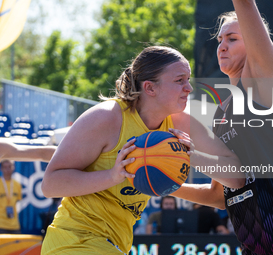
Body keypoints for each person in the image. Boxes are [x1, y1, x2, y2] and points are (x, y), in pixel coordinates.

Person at [40, 46, 245, 255]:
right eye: (179, 80)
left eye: (188, 80)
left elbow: (232, 182)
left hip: (115, 244)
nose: (189, 88)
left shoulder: (180, 123)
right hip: (74, 240)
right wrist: (112, 176)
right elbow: (50, 184)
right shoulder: (106, 118)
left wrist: (183, 162)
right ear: (150, 88)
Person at [173, 1, 273, 254]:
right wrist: (165, 184)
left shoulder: (262, 87)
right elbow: (221, 194)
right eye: (219, 40)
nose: (222, 46)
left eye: (232, 38)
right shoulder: (222, 113)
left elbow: (246, 6)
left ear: (253, 42)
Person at [0, 159, 22, 234]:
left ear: (13, 167)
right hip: (1, 224)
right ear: (1, 169)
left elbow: (18, 202)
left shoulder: (17, 184)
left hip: (14, 225)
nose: (7, 169)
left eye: (9, 166)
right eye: (5, 167)